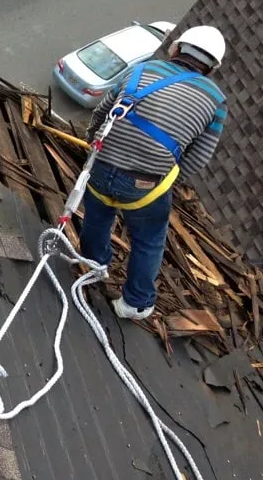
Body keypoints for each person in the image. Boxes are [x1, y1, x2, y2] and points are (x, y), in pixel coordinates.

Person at [80, 25, 227, 320]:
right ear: (211, 68)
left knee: (97, 217)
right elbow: (199, 157)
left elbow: (102, 112)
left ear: (176, 49)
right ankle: (135, 303)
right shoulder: (216, 101)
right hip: (144, 184)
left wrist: (94, 148)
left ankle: (93, 266)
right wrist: (163, 177)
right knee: (148, 240)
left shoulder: (141, 70)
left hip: (100, 166)